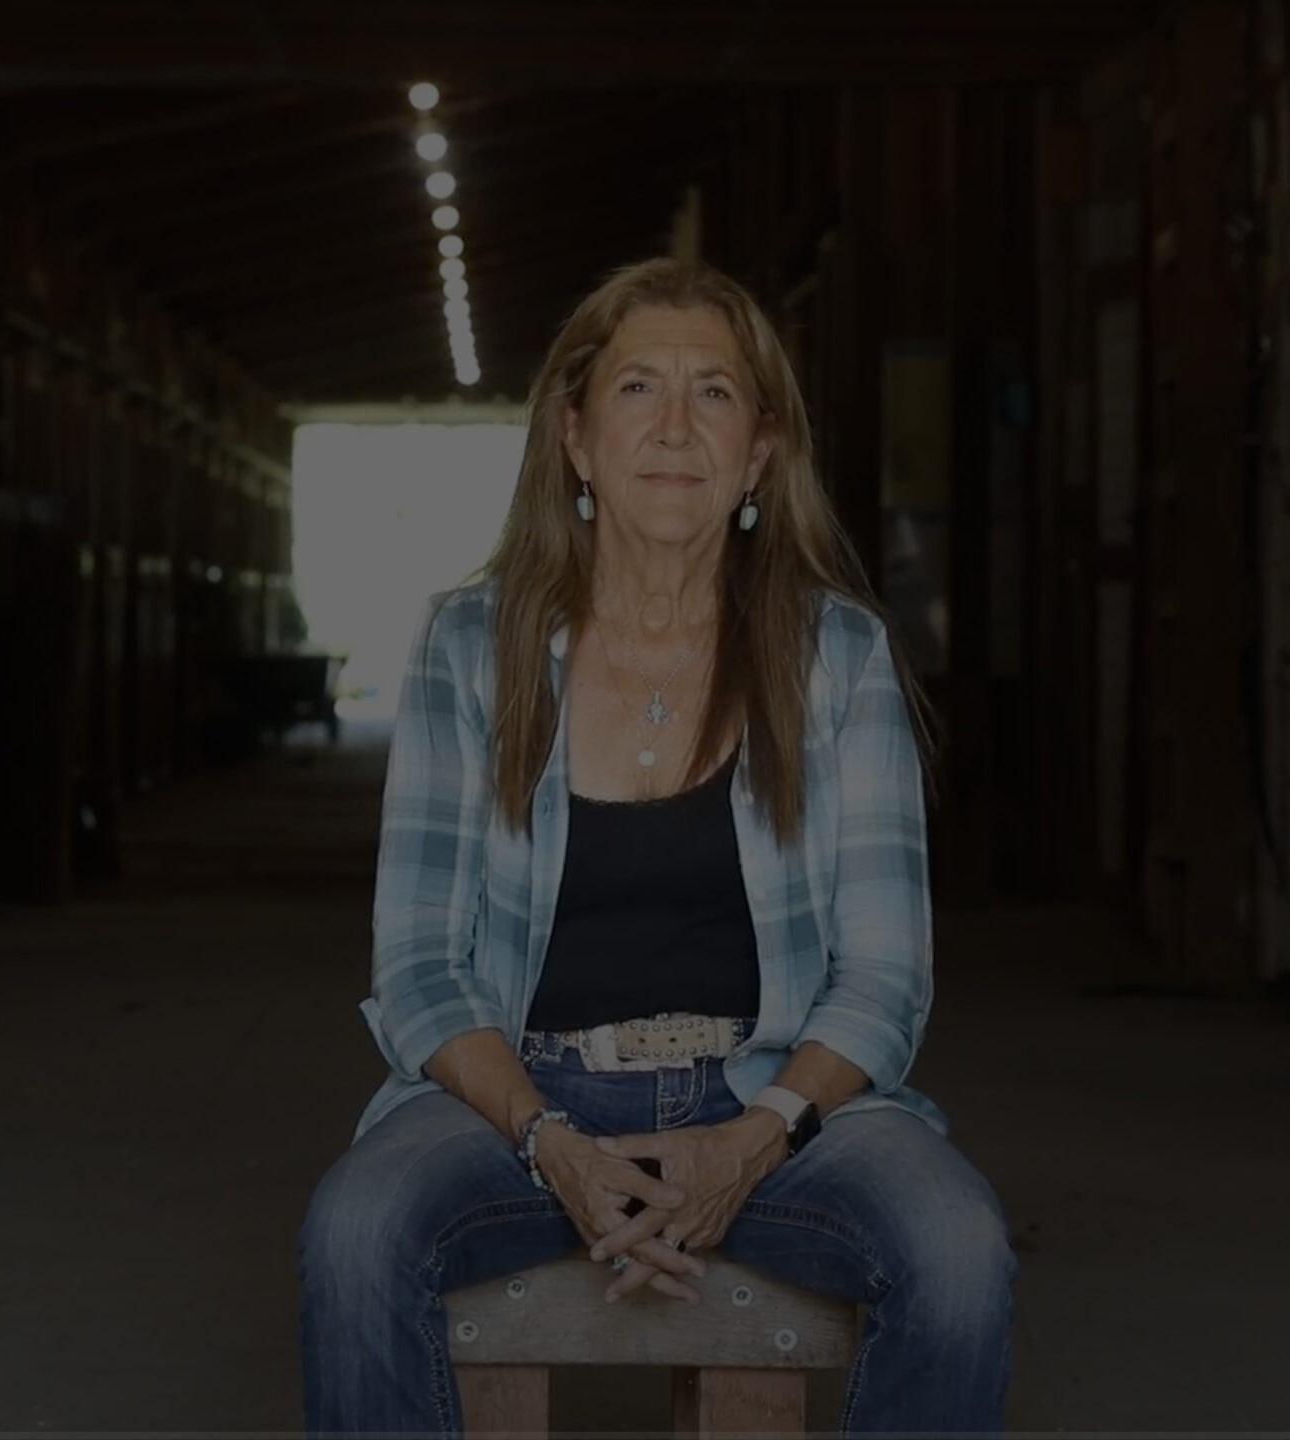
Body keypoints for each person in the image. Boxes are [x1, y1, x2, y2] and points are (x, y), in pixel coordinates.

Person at [297, 257, 1015, 1436]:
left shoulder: (835, 655)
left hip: (764, 1094)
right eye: (639, 389)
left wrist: (755, 1134)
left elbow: (885, 977)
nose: (676, 427)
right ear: (575, 438)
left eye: (715, 395)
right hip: (519, 1096)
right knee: (355, 1231)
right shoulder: (470, 644)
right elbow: (419, 963)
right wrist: (550, 1139)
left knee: (957, 1245)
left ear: (760, 455)